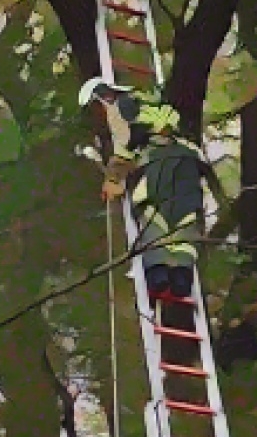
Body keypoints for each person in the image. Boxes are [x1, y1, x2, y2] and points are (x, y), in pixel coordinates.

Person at [79, 76, 214, 299]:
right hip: (188, 163)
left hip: (156, 163)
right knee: (186, 217)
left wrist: (113, 180)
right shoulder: (152, 100)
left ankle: (158, 272)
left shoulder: (119, 108)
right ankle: (182, 275)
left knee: (153, 214)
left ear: (100, 98)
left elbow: (124, 152)